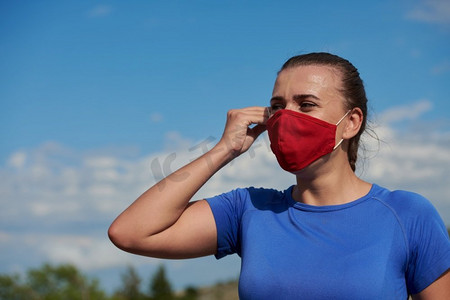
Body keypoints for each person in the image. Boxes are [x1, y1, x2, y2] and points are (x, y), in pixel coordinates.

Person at [109, 52, 450, 299]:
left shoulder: (408, 215)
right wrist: (224, 149)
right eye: (278, 105)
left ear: (351, 122)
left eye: (306, 104)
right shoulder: (249, 209)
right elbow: (130, 232)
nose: (287, 117)